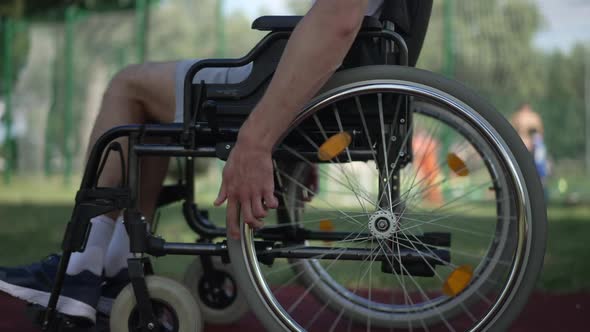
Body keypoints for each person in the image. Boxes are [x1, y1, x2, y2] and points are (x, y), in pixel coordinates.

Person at [0, 0, 390, 324]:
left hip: (302, 84)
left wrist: (256, 140)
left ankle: (82, 266)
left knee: (130, 85)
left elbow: (339, 19)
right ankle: (113, 267)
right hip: (349, 82)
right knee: (151, 105)